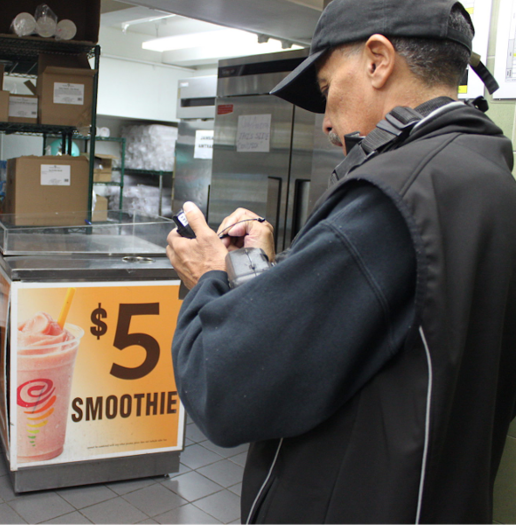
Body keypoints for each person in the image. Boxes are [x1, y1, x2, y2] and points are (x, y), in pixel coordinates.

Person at [166, 0, 516, 523]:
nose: (328, 124)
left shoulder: (390, 200)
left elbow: (223, 383)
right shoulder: (486, 179)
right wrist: (258, 268)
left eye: (328, 91)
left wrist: (207, 276)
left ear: (378, 60)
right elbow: (359, 345)